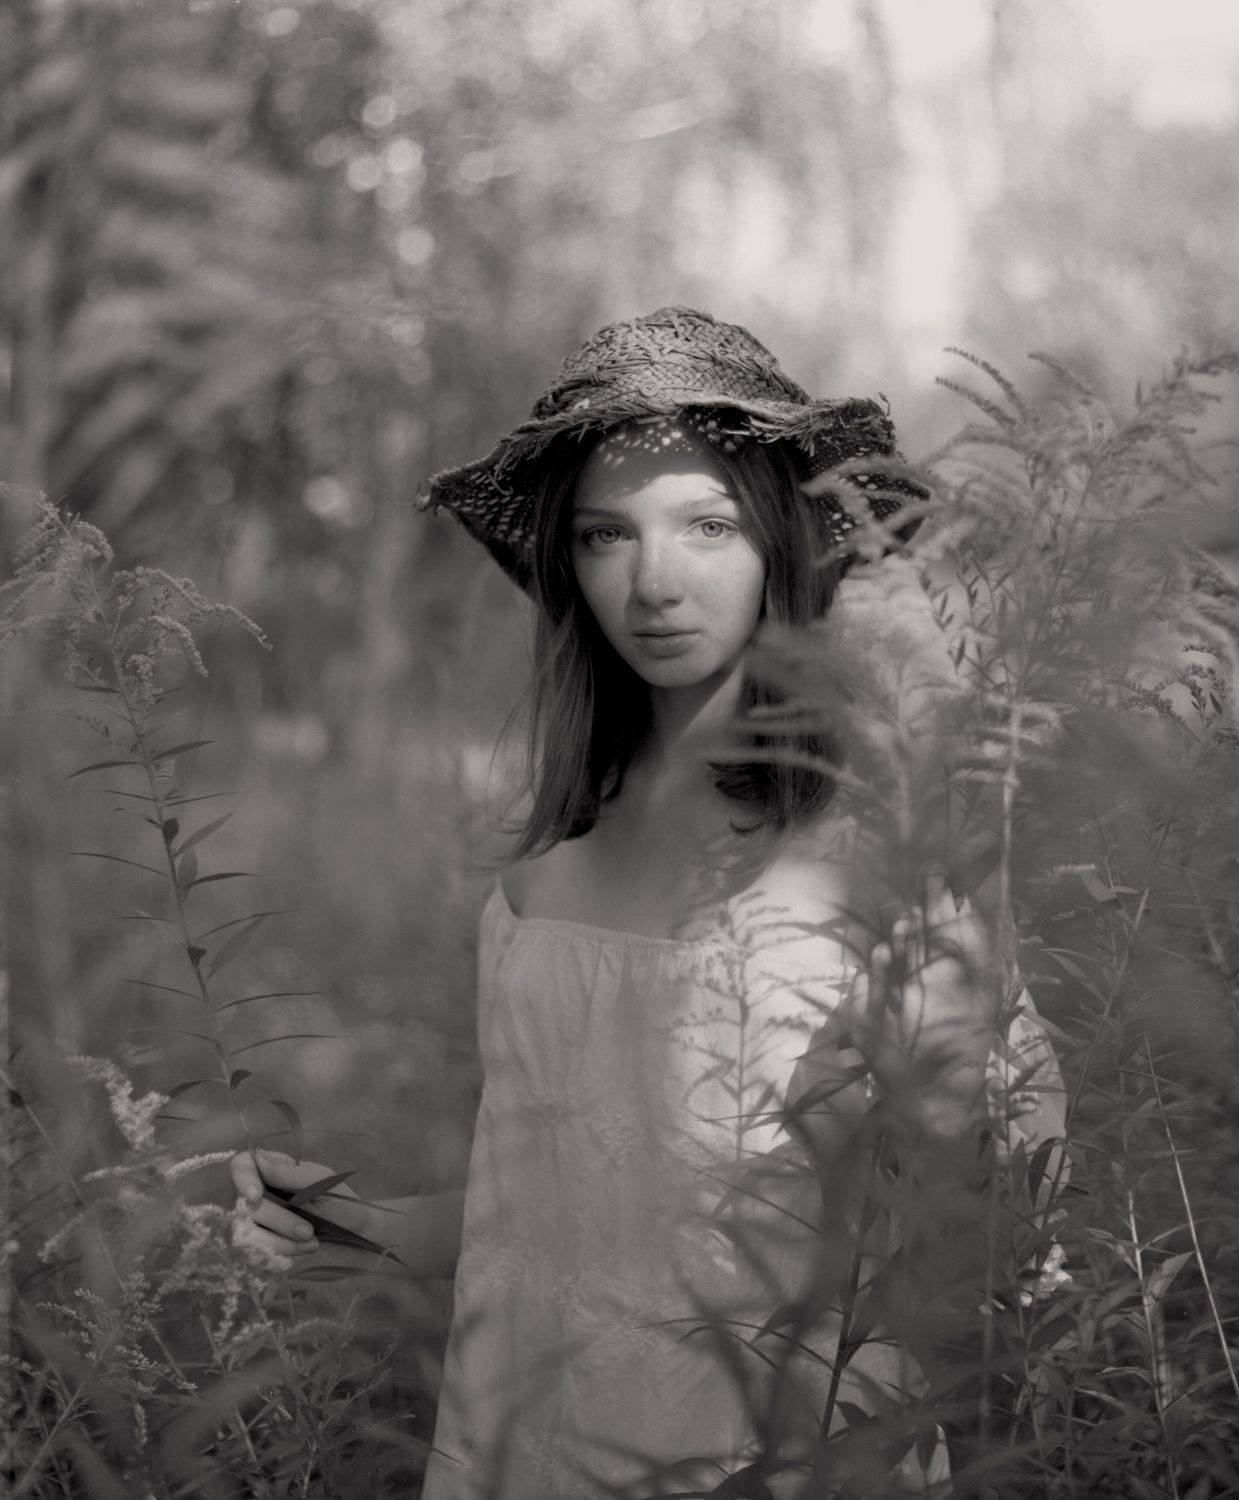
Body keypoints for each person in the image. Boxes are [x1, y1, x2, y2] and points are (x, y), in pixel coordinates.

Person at [231, 307, 1066, 1497]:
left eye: (707, 525)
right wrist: (353, 1225)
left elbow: (992, 1233)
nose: (654, 582)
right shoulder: (537, 881)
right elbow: (555, 1207)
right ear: (568, 567)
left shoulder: (882, 858)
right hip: (535, 1445)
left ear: (781, 541)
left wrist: (951, 1055)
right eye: (605, 536)